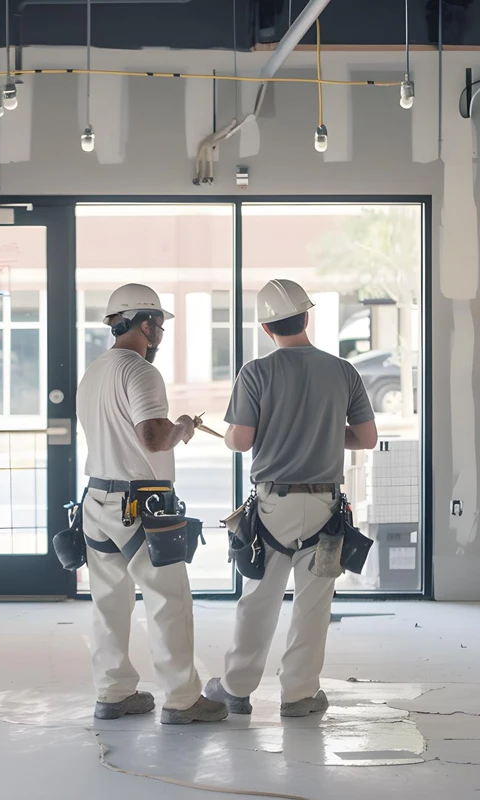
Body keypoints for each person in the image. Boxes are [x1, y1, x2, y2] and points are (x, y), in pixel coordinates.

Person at [204, 279, 378, 718]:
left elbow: (241, 441)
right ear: (307, 317)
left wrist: (233, 434)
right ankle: (299, 695)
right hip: (324, 507)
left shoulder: (256, 372)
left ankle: (236, 688)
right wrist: (320, 435)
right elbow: (366, 438)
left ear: (266, 328)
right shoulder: (344, 371)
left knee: (258, 599)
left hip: (272, 507)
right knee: (313, 604)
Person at [75, 283, 228, 725]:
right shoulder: (140, 372)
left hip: (97, 499)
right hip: (141, 502)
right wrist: (181, 426)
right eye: (158, 323)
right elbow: (152, 437)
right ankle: (182, 699)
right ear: (145, 324)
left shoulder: (95, 371)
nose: (159, 331)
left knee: (108, 601)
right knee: (168, 599)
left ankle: (113, 693)